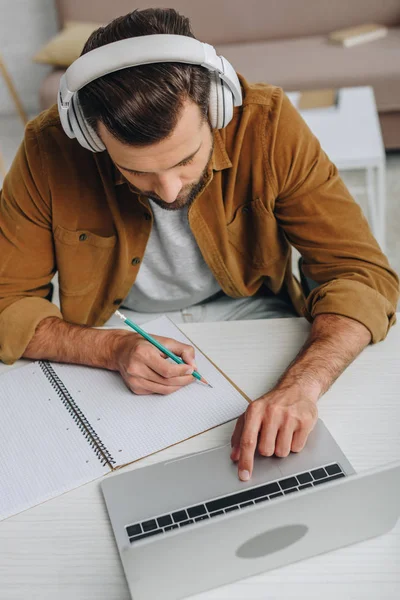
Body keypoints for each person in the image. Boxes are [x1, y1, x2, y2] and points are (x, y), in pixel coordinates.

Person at [0, 8, 398, 482]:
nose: (167, 190)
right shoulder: (49, 150)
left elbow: (361, 274)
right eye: (137, 171)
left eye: (186, 160)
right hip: (119, 332)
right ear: (92, 137)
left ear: (218, 111)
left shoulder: (267, 124)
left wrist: (301, 385)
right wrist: (109, 350)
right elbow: (7, 301)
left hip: (257, 317)